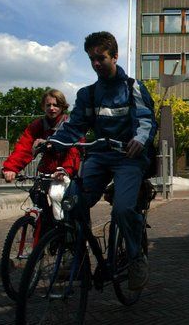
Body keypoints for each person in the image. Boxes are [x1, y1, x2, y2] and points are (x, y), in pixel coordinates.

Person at [47, 31, 157, 291]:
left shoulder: (133, 87)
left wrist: (140, 140)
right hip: (99, 155)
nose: (96, 63)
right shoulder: (88, 94)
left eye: (101, 58)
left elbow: (145, 120)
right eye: (91, 59)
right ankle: (77, 254)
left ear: (115, 56)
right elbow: (75, 127)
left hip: (129, 157)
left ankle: (135, 257)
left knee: (122, 209)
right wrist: (51, 141)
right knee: (72, 201)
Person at [2, 89, 81, 219]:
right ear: (43, 106)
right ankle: (47, 228)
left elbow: (74, 150)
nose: (52, 108)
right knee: (36, 194)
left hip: (68, 170)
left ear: (62, 106)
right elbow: (24, 147)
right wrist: (11, 168)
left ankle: (66, 229)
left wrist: (66, 170)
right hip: (48, 170)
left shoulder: (69, 124)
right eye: (48, 105)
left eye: (56, 105)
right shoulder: (38, 125)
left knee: (60, 197)